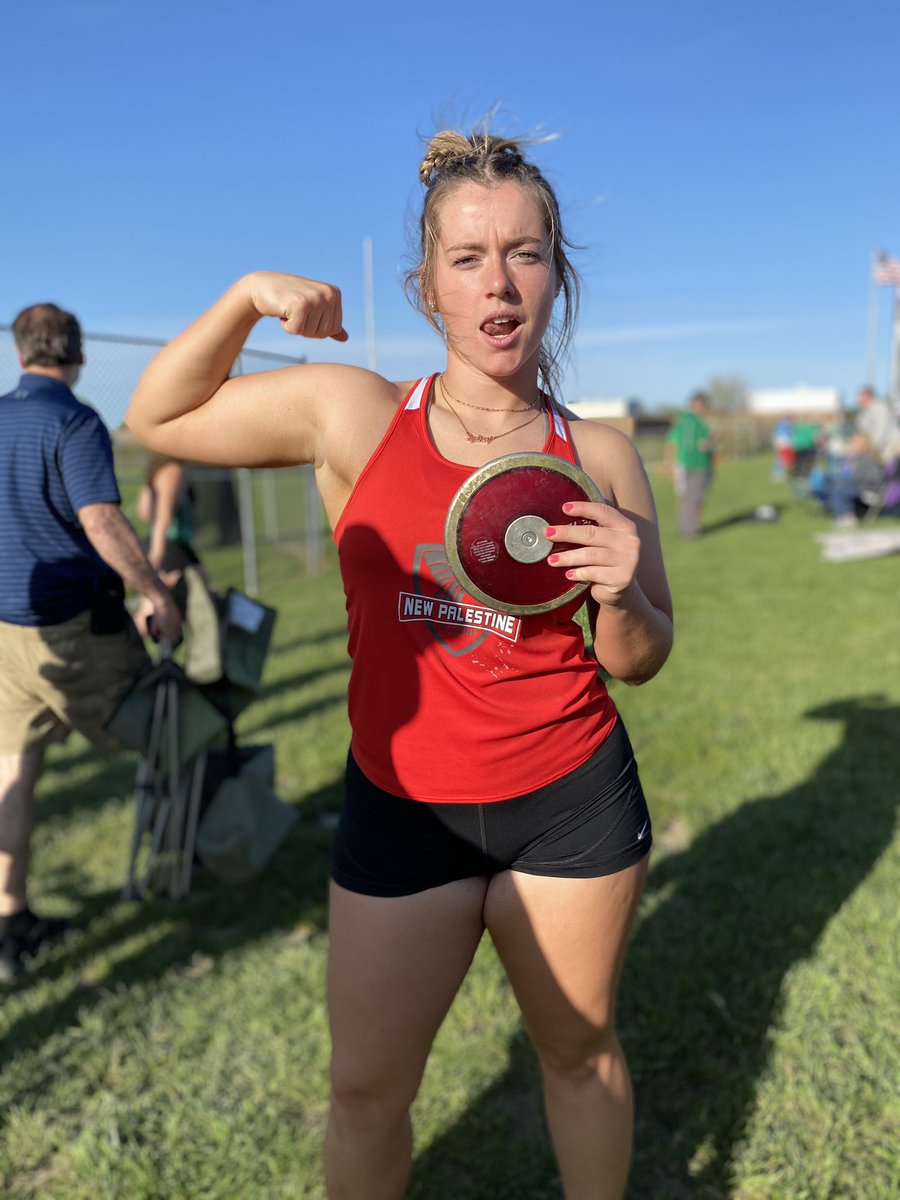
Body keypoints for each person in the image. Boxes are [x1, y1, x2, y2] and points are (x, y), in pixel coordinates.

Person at [125, 130, 674, 1200]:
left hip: (572, 803)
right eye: (468, 257)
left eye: (524, 253)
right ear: (427, 287)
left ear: (555, 275)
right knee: (366, 1090)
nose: (498, 281)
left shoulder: (600, 454)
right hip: (403, 806)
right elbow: (160, 416)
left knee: (579, 1051)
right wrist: (244, 300)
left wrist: (623, 594)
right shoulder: (356, 413)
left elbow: (640, 660)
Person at [0, 303, 182, 982]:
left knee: (13, 773)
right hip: (74, 629)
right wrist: (157, 595)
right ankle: (189, 860)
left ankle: (9, 922)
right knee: (166, 728)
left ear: (20, 353)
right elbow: (101, 521)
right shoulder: (74, 421)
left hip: (7, 631)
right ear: (78, 356)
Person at [133, 453, 205, 632]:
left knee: (167, 609)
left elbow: (144, 512)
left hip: (167, 546)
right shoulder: (172, 470)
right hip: (170, 548)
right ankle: (120, 643)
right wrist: (156, 557)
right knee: (151, 612)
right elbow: (163, 516)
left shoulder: (158, 471)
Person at [665, 389, 714, 538]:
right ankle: (687, 529)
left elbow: (709, 442)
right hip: (686, 465)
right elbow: (672, 444)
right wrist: (670, 466)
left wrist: (709, 444)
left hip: (703, 464)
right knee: (686, 498)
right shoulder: (683, 421)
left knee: (697, 498)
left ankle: (694, 526)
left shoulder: (703, 423)